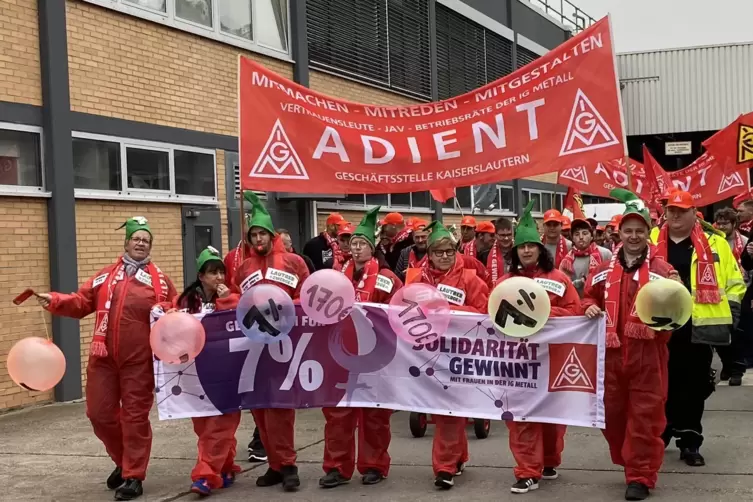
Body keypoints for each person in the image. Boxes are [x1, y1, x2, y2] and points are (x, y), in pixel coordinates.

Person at [37, 217, 176, 501]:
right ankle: (123, 461)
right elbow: (81, 302)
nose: (140, 243)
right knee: (98, 415)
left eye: (146, 240)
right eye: (136, 238)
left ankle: (133, 475)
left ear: (150, 246)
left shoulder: (160, 281)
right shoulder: (104, 276)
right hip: (102, 360)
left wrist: (169, 312)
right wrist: (53, 300)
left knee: (134, 418)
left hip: (138, 362)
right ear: (126, 242)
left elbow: (172, 311)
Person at [582, 189, 678, 501]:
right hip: (610, 356)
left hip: (648, 355)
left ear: (647, 233)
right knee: (612, 416)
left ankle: (640, 475)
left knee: (645, 417)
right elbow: (587, 297)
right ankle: (631, 460)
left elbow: (676, 311)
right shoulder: (601, 272)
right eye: (628, 230)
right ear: (619, 233)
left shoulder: (663, 271)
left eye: (639, 230)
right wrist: (587, 307)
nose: (634, 236)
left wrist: (661, 330)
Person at [225, 192, 310, 491]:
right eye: (254, 234)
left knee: (281, 406)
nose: (258, 238)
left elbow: (306, 297)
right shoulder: (244, 267)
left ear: (272, 235)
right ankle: (274, 464)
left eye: (263, 233)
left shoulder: (293, 262)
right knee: (259, 405)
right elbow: (234, 298)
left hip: (285, 343)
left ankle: (288, 465)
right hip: (253, 345)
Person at [653, 190, 745, 465]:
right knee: (660, 386)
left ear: (695, 213)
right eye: (672, 210)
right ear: (666, 213)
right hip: (660, 326)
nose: (676, 215)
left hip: (699, 326)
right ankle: (662, 433)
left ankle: (690, 442)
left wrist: (733, 312)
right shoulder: (651, 240)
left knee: (694, 386)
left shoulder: (716, 244)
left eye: (682, 210)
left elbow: (734, 283)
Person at [499, 201, 580, 495]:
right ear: (515, 252)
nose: (527, 251)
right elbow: (493, 314)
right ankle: (526, 471)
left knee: (550, 416)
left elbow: (575, 310)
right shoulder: (506, 282)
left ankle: (548, 460)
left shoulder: (559, 279)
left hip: (551, 358)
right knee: (520, 416)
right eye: (522, 247)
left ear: (541, 248)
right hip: (518, 362)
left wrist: (543, 315)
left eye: (532, 246)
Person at [320, 206, 403, 489]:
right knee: (337, 414)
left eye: (362, 245)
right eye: (353, 244)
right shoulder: (333, 277)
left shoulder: (386, 278)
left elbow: (399, 311)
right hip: (339, 353)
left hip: (374, 356)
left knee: (374, 414)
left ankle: (374, 465)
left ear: (372, 249)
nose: (356, 249)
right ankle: (337, 467)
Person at [408, 220, 490, 490]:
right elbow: (402, 311)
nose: (444, 257)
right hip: (427, 354)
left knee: (450, 411)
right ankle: (458, 456)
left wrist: (451, 312)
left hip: (460, 355)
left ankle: (444, 467)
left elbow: (485, 313)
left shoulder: (470, 278)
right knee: (444, 410)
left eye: (449, 252)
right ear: (428, 254)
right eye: (438, 252)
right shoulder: (416, 279)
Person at [157, 247, 242, 496]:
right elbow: (168, 314)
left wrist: (226, 299)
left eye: (221, 273)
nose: (218, 278)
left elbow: (240, 319)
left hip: (226, 372)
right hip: (195, 374)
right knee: (204, 425)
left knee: (221, 424)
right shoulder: (185, 300)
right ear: (201, 276)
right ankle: (225, 465)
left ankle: (205, 475)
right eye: (212, 273)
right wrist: (166, 311)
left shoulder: (232, 297)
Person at [559, 207, 612, 297]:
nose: (581, 237)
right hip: (575, 302)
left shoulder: (605, 254)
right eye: (576, 234)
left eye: (585, 233)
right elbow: (562, 285)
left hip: (598, 302)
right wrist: (577, 283)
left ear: (591, 236)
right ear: (572, 238)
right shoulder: (566, 260)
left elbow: (611, 279)